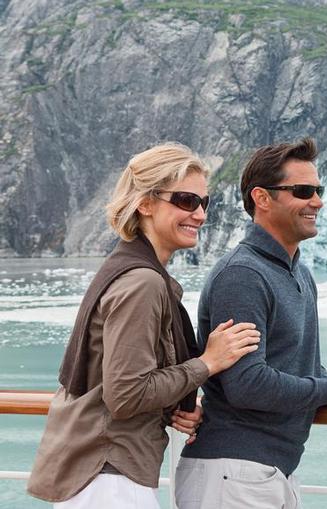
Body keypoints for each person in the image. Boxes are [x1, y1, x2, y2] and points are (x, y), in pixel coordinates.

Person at [27, 143, 262, 508]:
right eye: (185, 200)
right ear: (145, 203)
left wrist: (169, 408)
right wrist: (208, 363)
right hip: (109, 476)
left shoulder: (129, 269)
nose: (199, 214)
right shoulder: (142, 283)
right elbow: (125, 395)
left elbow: (114, 380)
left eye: (204, 202)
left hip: (102, 472)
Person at [176, 138, 327, 509]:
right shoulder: (242, 276)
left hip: (267, 473)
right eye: (303, 191)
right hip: (234, 474)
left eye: (318, 190)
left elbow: (302, 367)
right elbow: (248, 385)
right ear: (262, 198)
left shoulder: (298, 274)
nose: (317, 201)